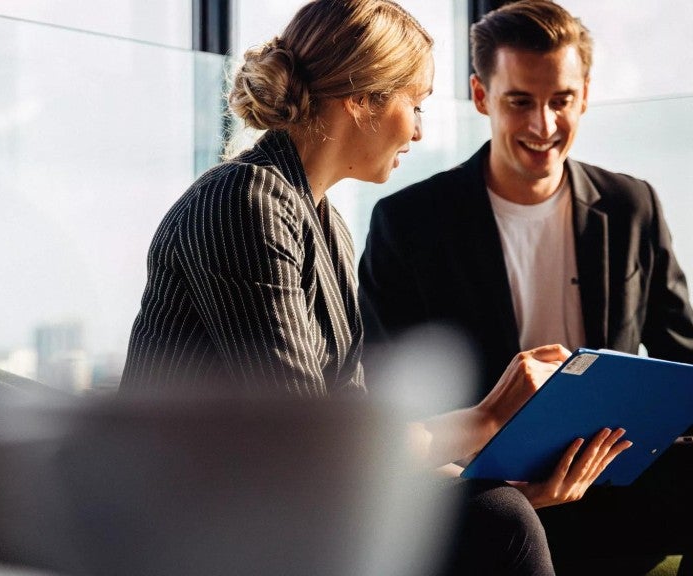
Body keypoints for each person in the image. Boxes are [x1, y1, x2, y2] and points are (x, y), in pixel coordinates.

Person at [120, 1, 629, 574]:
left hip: (285, 513)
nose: (418, 129)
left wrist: (507, 483)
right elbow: (317, 449)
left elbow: (358, 435)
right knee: (499, 522)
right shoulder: (244, 202)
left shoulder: (324, 225)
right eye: (415, 104)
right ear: (361, 100)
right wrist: (488, 419)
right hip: (197, 529)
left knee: (501, 510)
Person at [357, 1, 693, 573]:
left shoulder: (632, 204)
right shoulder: (409, 223)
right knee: (498, 516)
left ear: (584, 95)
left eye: (561, 100)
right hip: (489, 496)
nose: (543, 126)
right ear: (482, 97)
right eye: (520, 102)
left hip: (613, 478)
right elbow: (389, 393)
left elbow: (682, 359)